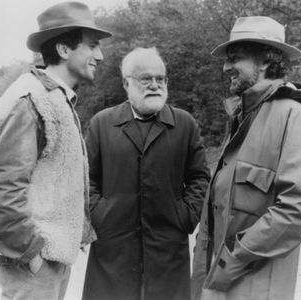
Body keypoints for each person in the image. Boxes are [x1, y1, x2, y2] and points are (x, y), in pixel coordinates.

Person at [0, 2, 111, 299]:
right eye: (93, 46)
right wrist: (30, 253)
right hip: (34, 263)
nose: (100, 55)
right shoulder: (33, 101)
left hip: (47, 259)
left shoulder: (52, 97)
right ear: (63, 49)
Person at [191, 16, 301, 300]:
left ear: (265, 61)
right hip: (217, 284)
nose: (226, 67)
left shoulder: (295, 118)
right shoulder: (242, 116)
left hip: (255, 289)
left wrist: (229, 263)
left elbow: (297, 210)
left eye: (235, 58)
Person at [82, 47, 211, 300]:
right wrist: (100, 215)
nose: (154, 85)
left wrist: (185, 215)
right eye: (145, 79)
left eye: (160, 79)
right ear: (126, 83)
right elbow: (87, 180)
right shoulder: (102, 123)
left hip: (167, 247)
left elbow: (200, 178)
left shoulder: (184, 124)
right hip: (113, 248)